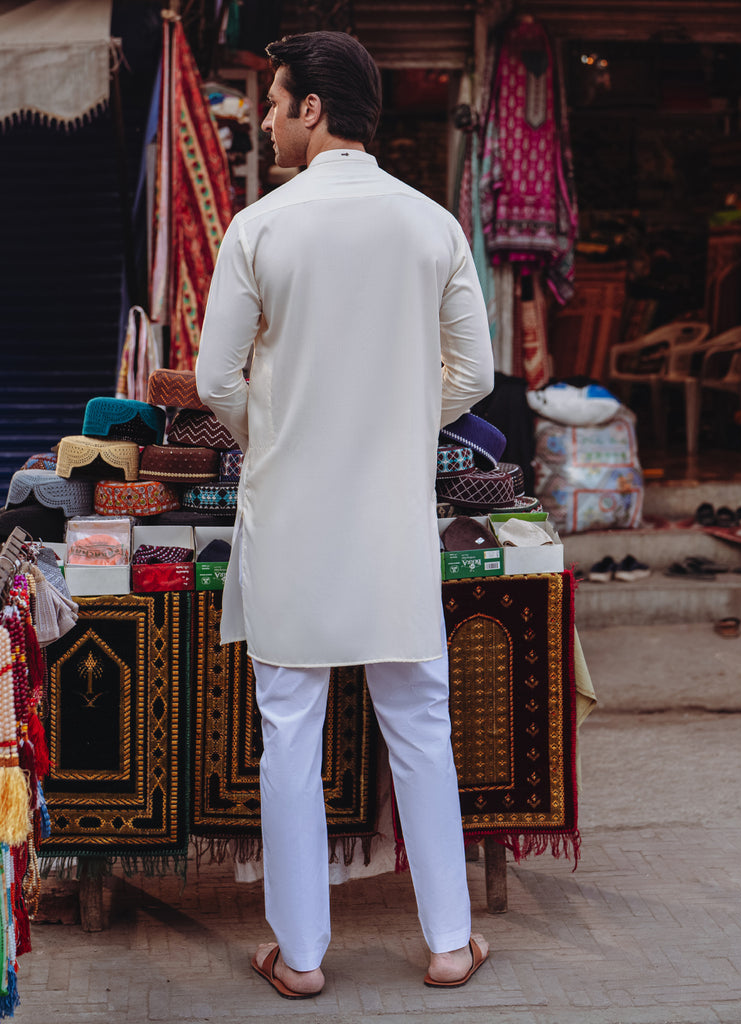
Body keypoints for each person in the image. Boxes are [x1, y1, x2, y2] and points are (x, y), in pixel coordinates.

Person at [196, 30, 494, 999]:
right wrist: (398, 420)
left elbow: (213, 380)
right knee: (420, 723)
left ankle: (301, 957)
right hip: (392, 524)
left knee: (289, 731)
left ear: (312, 109)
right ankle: (449, 943)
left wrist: (285, 429)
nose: (267, 120)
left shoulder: (260, 229)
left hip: (291, 520)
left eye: (276, 102)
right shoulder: (432, 226)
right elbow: (476, 375)